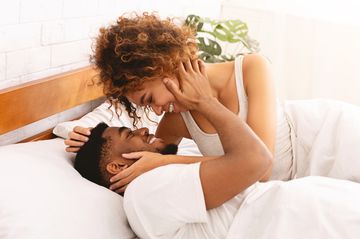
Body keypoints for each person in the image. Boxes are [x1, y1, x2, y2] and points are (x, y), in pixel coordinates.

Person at [65, 12, 293, 193]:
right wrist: (90, 140)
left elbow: (262, 170)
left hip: (319, 146)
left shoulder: (252, 68)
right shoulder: (176, 119)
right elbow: (147, 157)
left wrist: (205, 102)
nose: (156, 110)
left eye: (150, 99)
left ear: (163, 65)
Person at [74, 64, 273, 239]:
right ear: (116, 167)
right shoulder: (147, 190)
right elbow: (254, 163)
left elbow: (252, 164)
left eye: (150, 99)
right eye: (129, 134)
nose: (144, 128)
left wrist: (163, 160)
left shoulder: (155, 177)